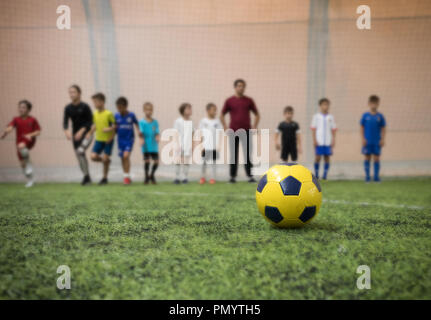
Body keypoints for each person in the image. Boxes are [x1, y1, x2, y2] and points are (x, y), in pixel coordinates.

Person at [221, 79, 260, 183]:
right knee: (233, 154)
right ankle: (233, 176)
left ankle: (250, 176)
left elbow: (257, 114)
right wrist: (225, 126)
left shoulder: (249, 100)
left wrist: (254, 126)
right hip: (233, 131)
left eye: (242, 86)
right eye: (239, 86)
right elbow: (222, 114)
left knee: (248, 154)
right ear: (235, 87)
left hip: (246, 131)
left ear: (244, 88)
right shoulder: (229, 101)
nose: (241, 88)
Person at [1, 100, 41, 187]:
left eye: (23, 107)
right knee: (22, 164)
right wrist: (5, 132)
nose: (21, 109)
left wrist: (30, 135)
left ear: (28, 109)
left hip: (29, 141)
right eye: (20, 107)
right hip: (19, 142)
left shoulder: (32, 120)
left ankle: (29, 165)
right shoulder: (16, 119)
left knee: (22, 146)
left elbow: (38, 132)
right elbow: (10, 127)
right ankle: (30, 180)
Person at [63, 85, 93, 185]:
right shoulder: (68, 108)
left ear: (79, 93)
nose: (71, 94)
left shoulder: (85, 106)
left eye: (74, 92)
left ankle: (86, 177)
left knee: (80, 151)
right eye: (70, 92)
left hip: (87, 134)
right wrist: (66, 131)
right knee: (79, 156)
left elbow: (90, 122)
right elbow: (65, 123)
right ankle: (86, 176)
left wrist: (82, 131)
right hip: (75, 137)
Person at [87, 93, 115, 185]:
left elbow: (115, 127)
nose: (94, 104)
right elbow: (95, 125)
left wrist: (110, 132)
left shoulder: (109, 114)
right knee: (93, 157)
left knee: (105, 158)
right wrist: (89, 133)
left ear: (102, 102)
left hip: (108, 140)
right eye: (93, 102)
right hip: (98, 139)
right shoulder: (95, 114)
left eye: (95, 102)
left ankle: (104, 178)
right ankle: (106, 160)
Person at [360, 95, 386, 182]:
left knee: (376, 158)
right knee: (367, 157)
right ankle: (367, 177)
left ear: (378, 104)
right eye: (372, 103)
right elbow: (362, 128)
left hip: (376, 141)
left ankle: (376, 177)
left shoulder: (380, 116)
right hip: (367, 141)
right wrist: (363, 138)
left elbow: (383, 128)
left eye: (375, 103)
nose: (373, 105)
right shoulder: (365, 116)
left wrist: (382, 139)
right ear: (369, 104)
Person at [114, 96, 139, 185]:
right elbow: (115, 127)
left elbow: (137, 124)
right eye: (118, 108)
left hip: (129, 139)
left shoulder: (131, 115)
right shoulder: (116, 116)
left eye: (121, 107)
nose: (119, 109)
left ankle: (126, 177)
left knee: (126, 156)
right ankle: (126, 176)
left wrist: (139, 132)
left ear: (125, 106)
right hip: (120, 140)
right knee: (122, 158)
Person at [311, 98, 337, 180]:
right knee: (317, 158)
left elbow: (333, 129)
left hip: (328, 141)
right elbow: (313, 129)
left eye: (327, 104)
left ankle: (325, 176)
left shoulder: (331, 117)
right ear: (320, 106)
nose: (325, 106)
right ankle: (316, 175)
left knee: (327, 158)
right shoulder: (316, 117)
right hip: (319, 141)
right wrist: (314, 140)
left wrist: (333, 140)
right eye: (324, 104)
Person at [199, 103, 223, 184]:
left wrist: (219, 145)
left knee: (213, 162)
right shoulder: (203, 121)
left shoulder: (217, 121)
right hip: (205, 146)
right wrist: (201, 145)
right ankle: (202, 177)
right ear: (208, 111)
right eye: (213, 110)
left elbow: (220, 133)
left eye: (216, 110)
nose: (215, 112)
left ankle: (213, 178)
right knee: (204, 162)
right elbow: (201, 134)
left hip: (214, 146)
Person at [139, 102, 160, 184]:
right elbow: (140, 132)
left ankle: (152, 175)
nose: (149, 112)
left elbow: (157, 132)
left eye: (150, 110)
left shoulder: (155, 122)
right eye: (147, 110)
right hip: (146, 146)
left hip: (154, 145)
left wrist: (158, 137)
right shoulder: (141, 122)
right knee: (147, 161)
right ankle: (146, 177)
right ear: (144, 111)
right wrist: (141, 139)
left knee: (156, 162)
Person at [173, 103, 193, 184]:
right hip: (179, 144)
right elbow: (175, 133)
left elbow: (192, 133)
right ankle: (177, 177)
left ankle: (185, 177)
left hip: (188, 145)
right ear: (182, 110)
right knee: (178, 161)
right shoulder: (178, 121)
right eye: (188, 109)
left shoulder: (191, 121)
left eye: (190, 109)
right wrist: (176, 144)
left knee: (186, 162)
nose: (190, 110)